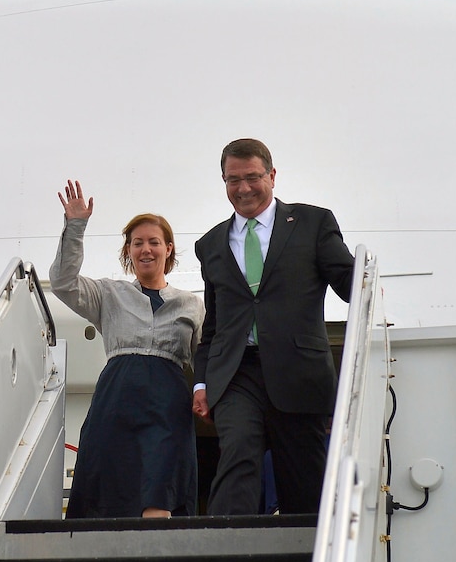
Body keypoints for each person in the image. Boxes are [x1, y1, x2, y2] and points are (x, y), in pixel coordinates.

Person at [192, 139, 355, 515]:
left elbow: (348, 283)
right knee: (237, 453)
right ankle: (227, 553)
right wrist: (201, 381)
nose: (244, 188)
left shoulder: (313, 223)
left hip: (298, 370)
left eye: (252, 177)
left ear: (272, 176)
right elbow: (214, 324)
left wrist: (366, 288)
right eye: (233, 180)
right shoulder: (211, 244)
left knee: (302, 476)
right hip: (236, 371)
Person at [50, 180, 205, 518]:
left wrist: (205, 390)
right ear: (128, 251)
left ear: (169, 249)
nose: (145, 249)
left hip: (167, 404)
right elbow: (63, 283)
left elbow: (206, 357)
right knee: (110, 483)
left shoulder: (191, 304)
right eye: (137, 243)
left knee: (160, 486)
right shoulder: (109, 294)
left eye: (153, 242)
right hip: (117, 397)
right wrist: (75, 226)